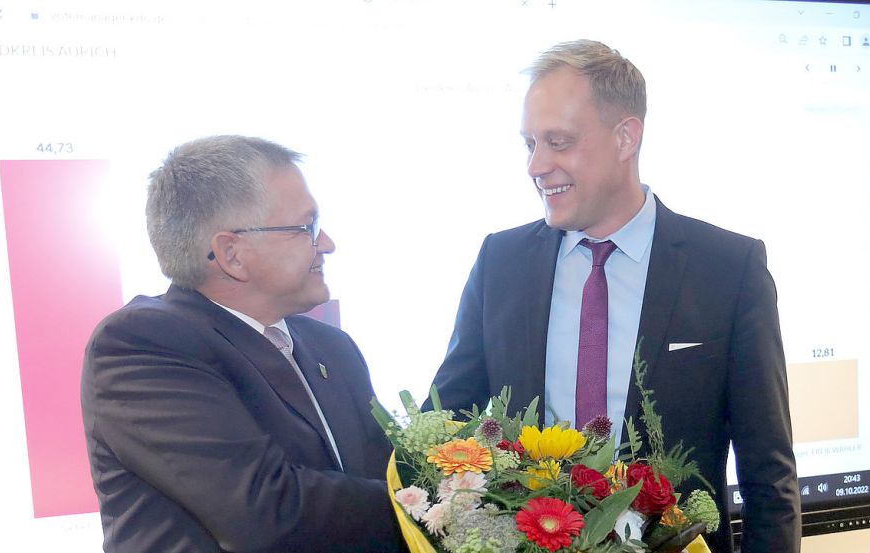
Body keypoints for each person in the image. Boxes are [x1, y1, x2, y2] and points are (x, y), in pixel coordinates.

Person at [428, 40, 800, 553]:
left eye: (558, 142)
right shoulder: (501, 262)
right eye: (529, 144)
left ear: (626, 137)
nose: (536, 166)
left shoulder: (729, 269)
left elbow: (769, 475)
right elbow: (447, 422)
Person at [81, 135, 404, 552]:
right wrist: (435, 505)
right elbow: (266, 511)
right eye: (306, 228)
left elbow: (383, 475)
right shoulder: (142, 344)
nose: (326, 244)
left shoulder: (332, 348)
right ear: (231, 254)